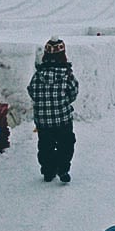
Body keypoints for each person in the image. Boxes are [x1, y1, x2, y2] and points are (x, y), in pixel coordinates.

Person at [27, 38, 80, 183]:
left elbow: (32, 91)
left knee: (45, 145)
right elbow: (74, 92)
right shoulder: (67, 75)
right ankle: (63, 169)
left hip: (43, 121)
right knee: (66, 144)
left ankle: (48, 171)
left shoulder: (38, 75)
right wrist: (64, 102)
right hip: (63, 119)